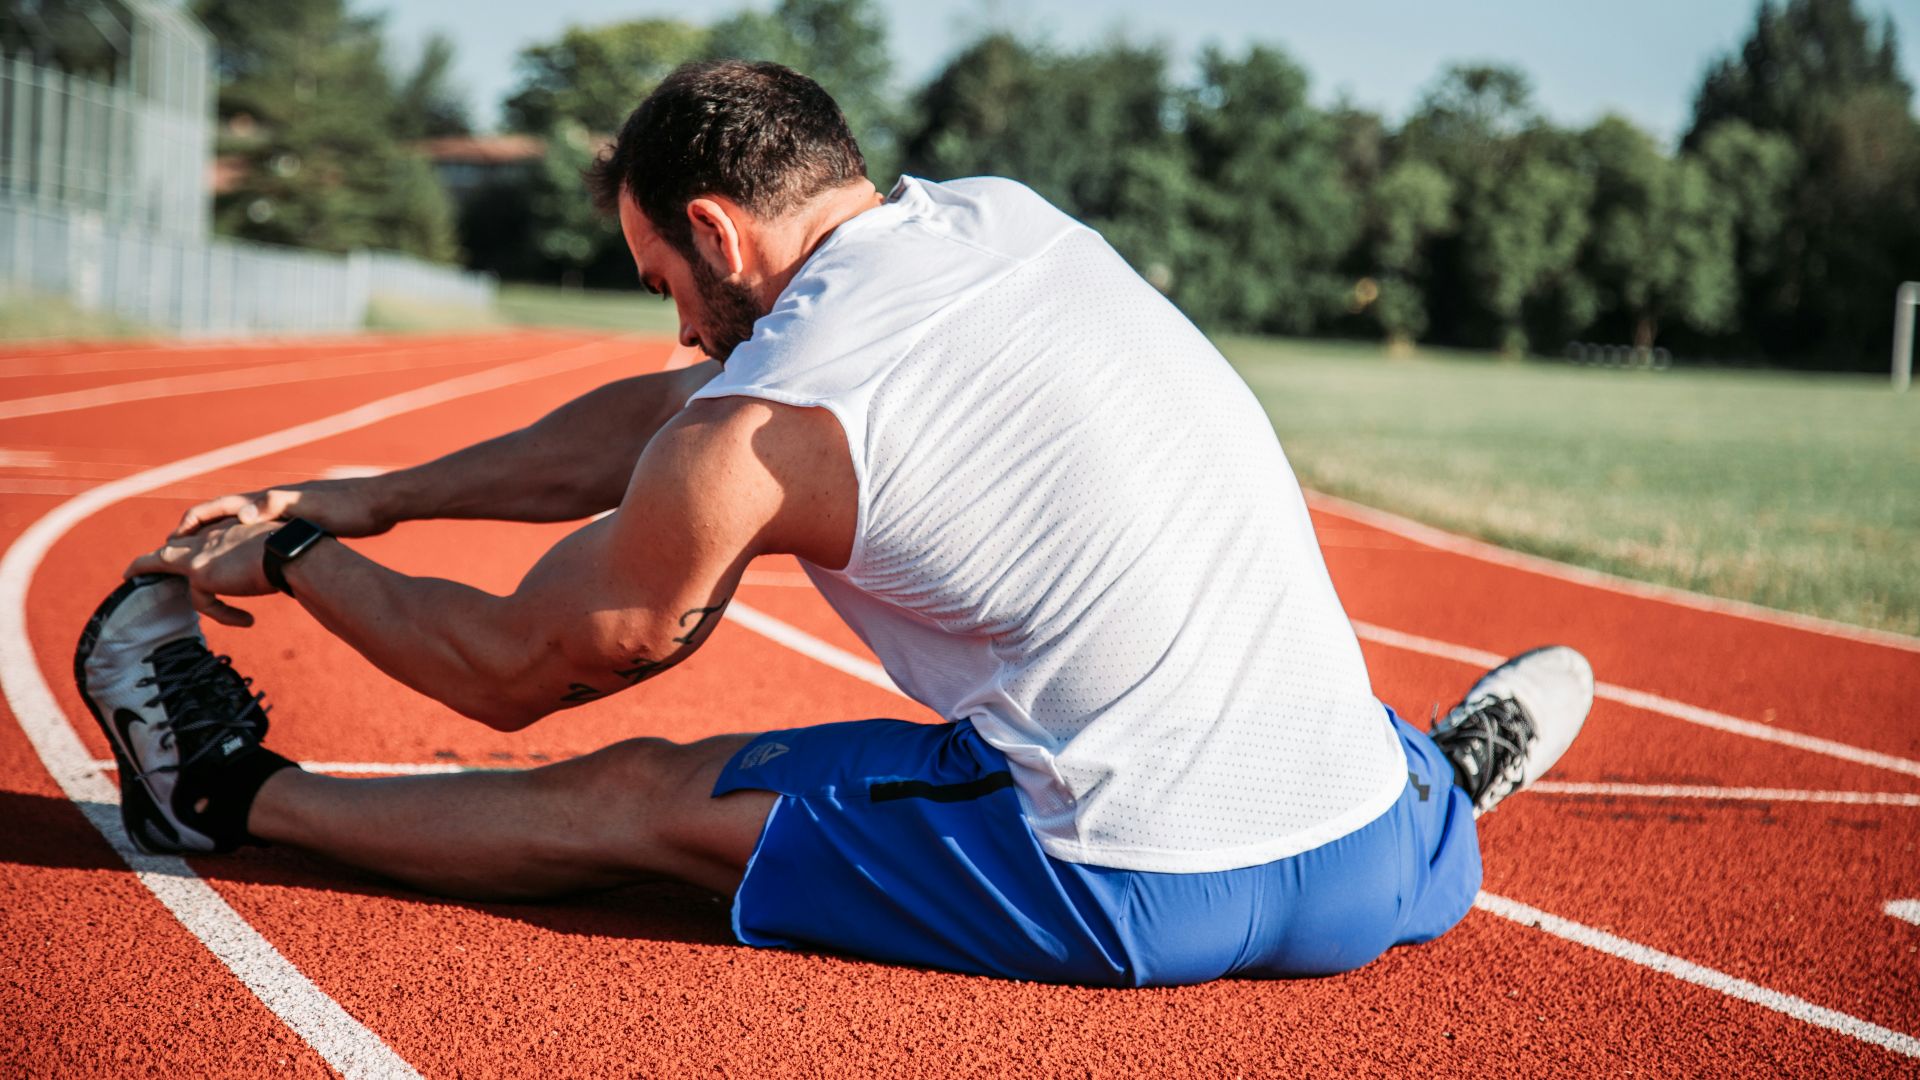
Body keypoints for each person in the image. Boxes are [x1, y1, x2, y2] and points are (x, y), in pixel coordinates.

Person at [80, 60, 1593, 987]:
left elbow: (513, 665)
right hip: (1365, 867)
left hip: (1128, 880)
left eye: (663, 281)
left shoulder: (757, 427)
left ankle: (222, 797)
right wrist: (378, 496)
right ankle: (1441, 785)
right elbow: (677, 418)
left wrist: (294, 554)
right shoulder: (1002, 220)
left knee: (634, 799)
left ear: (720, 235)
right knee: (1258, 659)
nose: (673, 326)